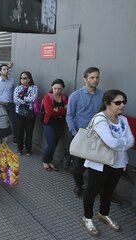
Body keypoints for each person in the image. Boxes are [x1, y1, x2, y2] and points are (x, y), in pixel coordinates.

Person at [81, 89, 134, 236]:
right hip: (99, 161)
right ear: (107, 103)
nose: (122, 105)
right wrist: (122, 142)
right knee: (92, 190)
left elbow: (131, 141)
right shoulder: (100, 119)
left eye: (124, 102)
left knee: (109, 190)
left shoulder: (122, 119)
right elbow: (111, 142)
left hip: (118, 162)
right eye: (118, 102)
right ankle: (87, 217)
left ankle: (103, 214)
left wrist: (119, 142)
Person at [66, 67, 103, 197]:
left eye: (97, 77)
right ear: (85, 79)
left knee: (96, 164)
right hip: (80, 136)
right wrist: (74, 132)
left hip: (97, 136)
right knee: (78, 166)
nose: (95, 80)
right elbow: (69, 115)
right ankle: (79, 185)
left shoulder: (102, 95)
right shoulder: (76, 95)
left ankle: (94, 187)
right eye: (92, 77)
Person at [41, 79, 68, 171]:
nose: (57, 91)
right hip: (49, 124)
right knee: (51, 145)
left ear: (62, 89)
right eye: (55, 88)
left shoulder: (64, 98)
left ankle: (50, 161)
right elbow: (50, 112)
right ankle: (45, 161)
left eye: (59, 89)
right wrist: (62, 110)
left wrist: (58, 110)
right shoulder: (47, 98)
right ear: (52, 87)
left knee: (54, 145)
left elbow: (68, 110)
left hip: (60, 124)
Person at [13, 71, 38, 156]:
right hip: (19, 113)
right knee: (20, 132)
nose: (22, 80)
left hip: (30, 113)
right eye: (21, 78)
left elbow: (33, 99)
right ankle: (20, 148)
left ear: (29, 79)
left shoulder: (34, 88)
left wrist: (22, 98)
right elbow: (15, 100)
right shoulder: (17, 88)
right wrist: (26, 99)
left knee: (29, 132)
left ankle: (28, 149)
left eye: (24, 78)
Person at [0, 64, 17, 144]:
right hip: (1, 106)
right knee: (2, 122)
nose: (6, 70)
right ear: (0, 71)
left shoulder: (12, 80)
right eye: (4, 69)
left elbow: (14, 92)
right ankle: (2, 139)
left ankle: (15, 139)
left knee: (14, 122)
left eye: (7, 69)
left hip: (11, 105)